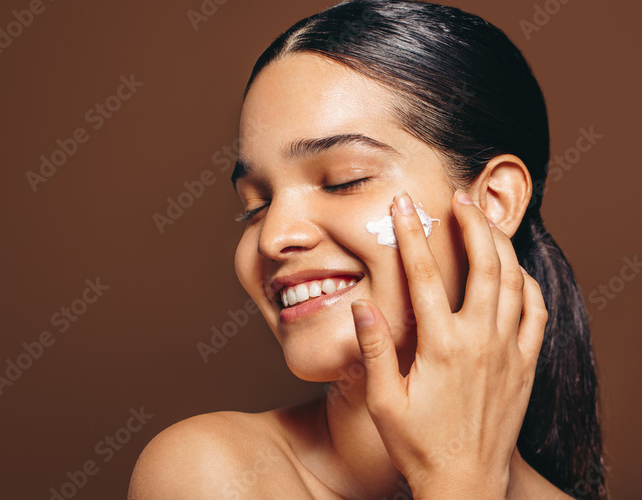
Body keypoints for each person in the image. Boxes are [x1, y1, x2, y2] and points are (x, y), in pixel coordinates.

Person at [128, 1, 606, 498]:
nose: (272, 237)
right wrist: (458, 479)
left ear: (494, 201)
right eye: (255, 205)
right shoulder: (209, 472)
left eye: (343, 181)